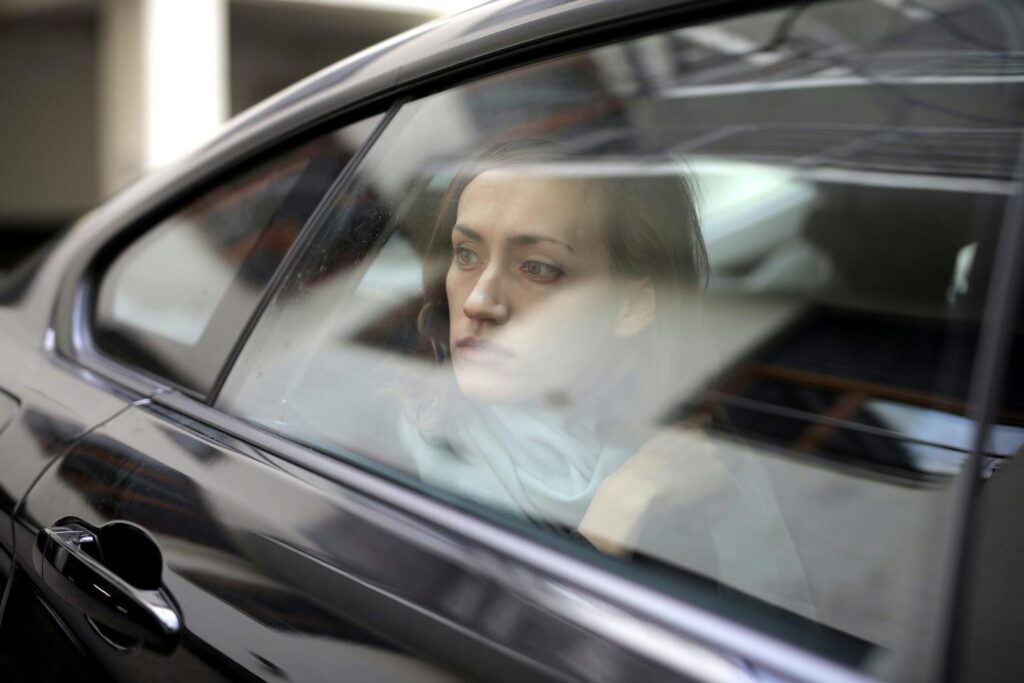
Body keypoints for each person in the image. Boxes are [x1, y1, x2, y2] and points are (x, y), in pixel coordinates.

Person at [400, 139, 815, 617]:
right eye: (467, 254)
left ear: (634, 303)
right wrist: (616, 514)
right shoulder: (390, 444)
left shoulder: (706, 462)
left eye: (537, 268)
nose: (478, 301)